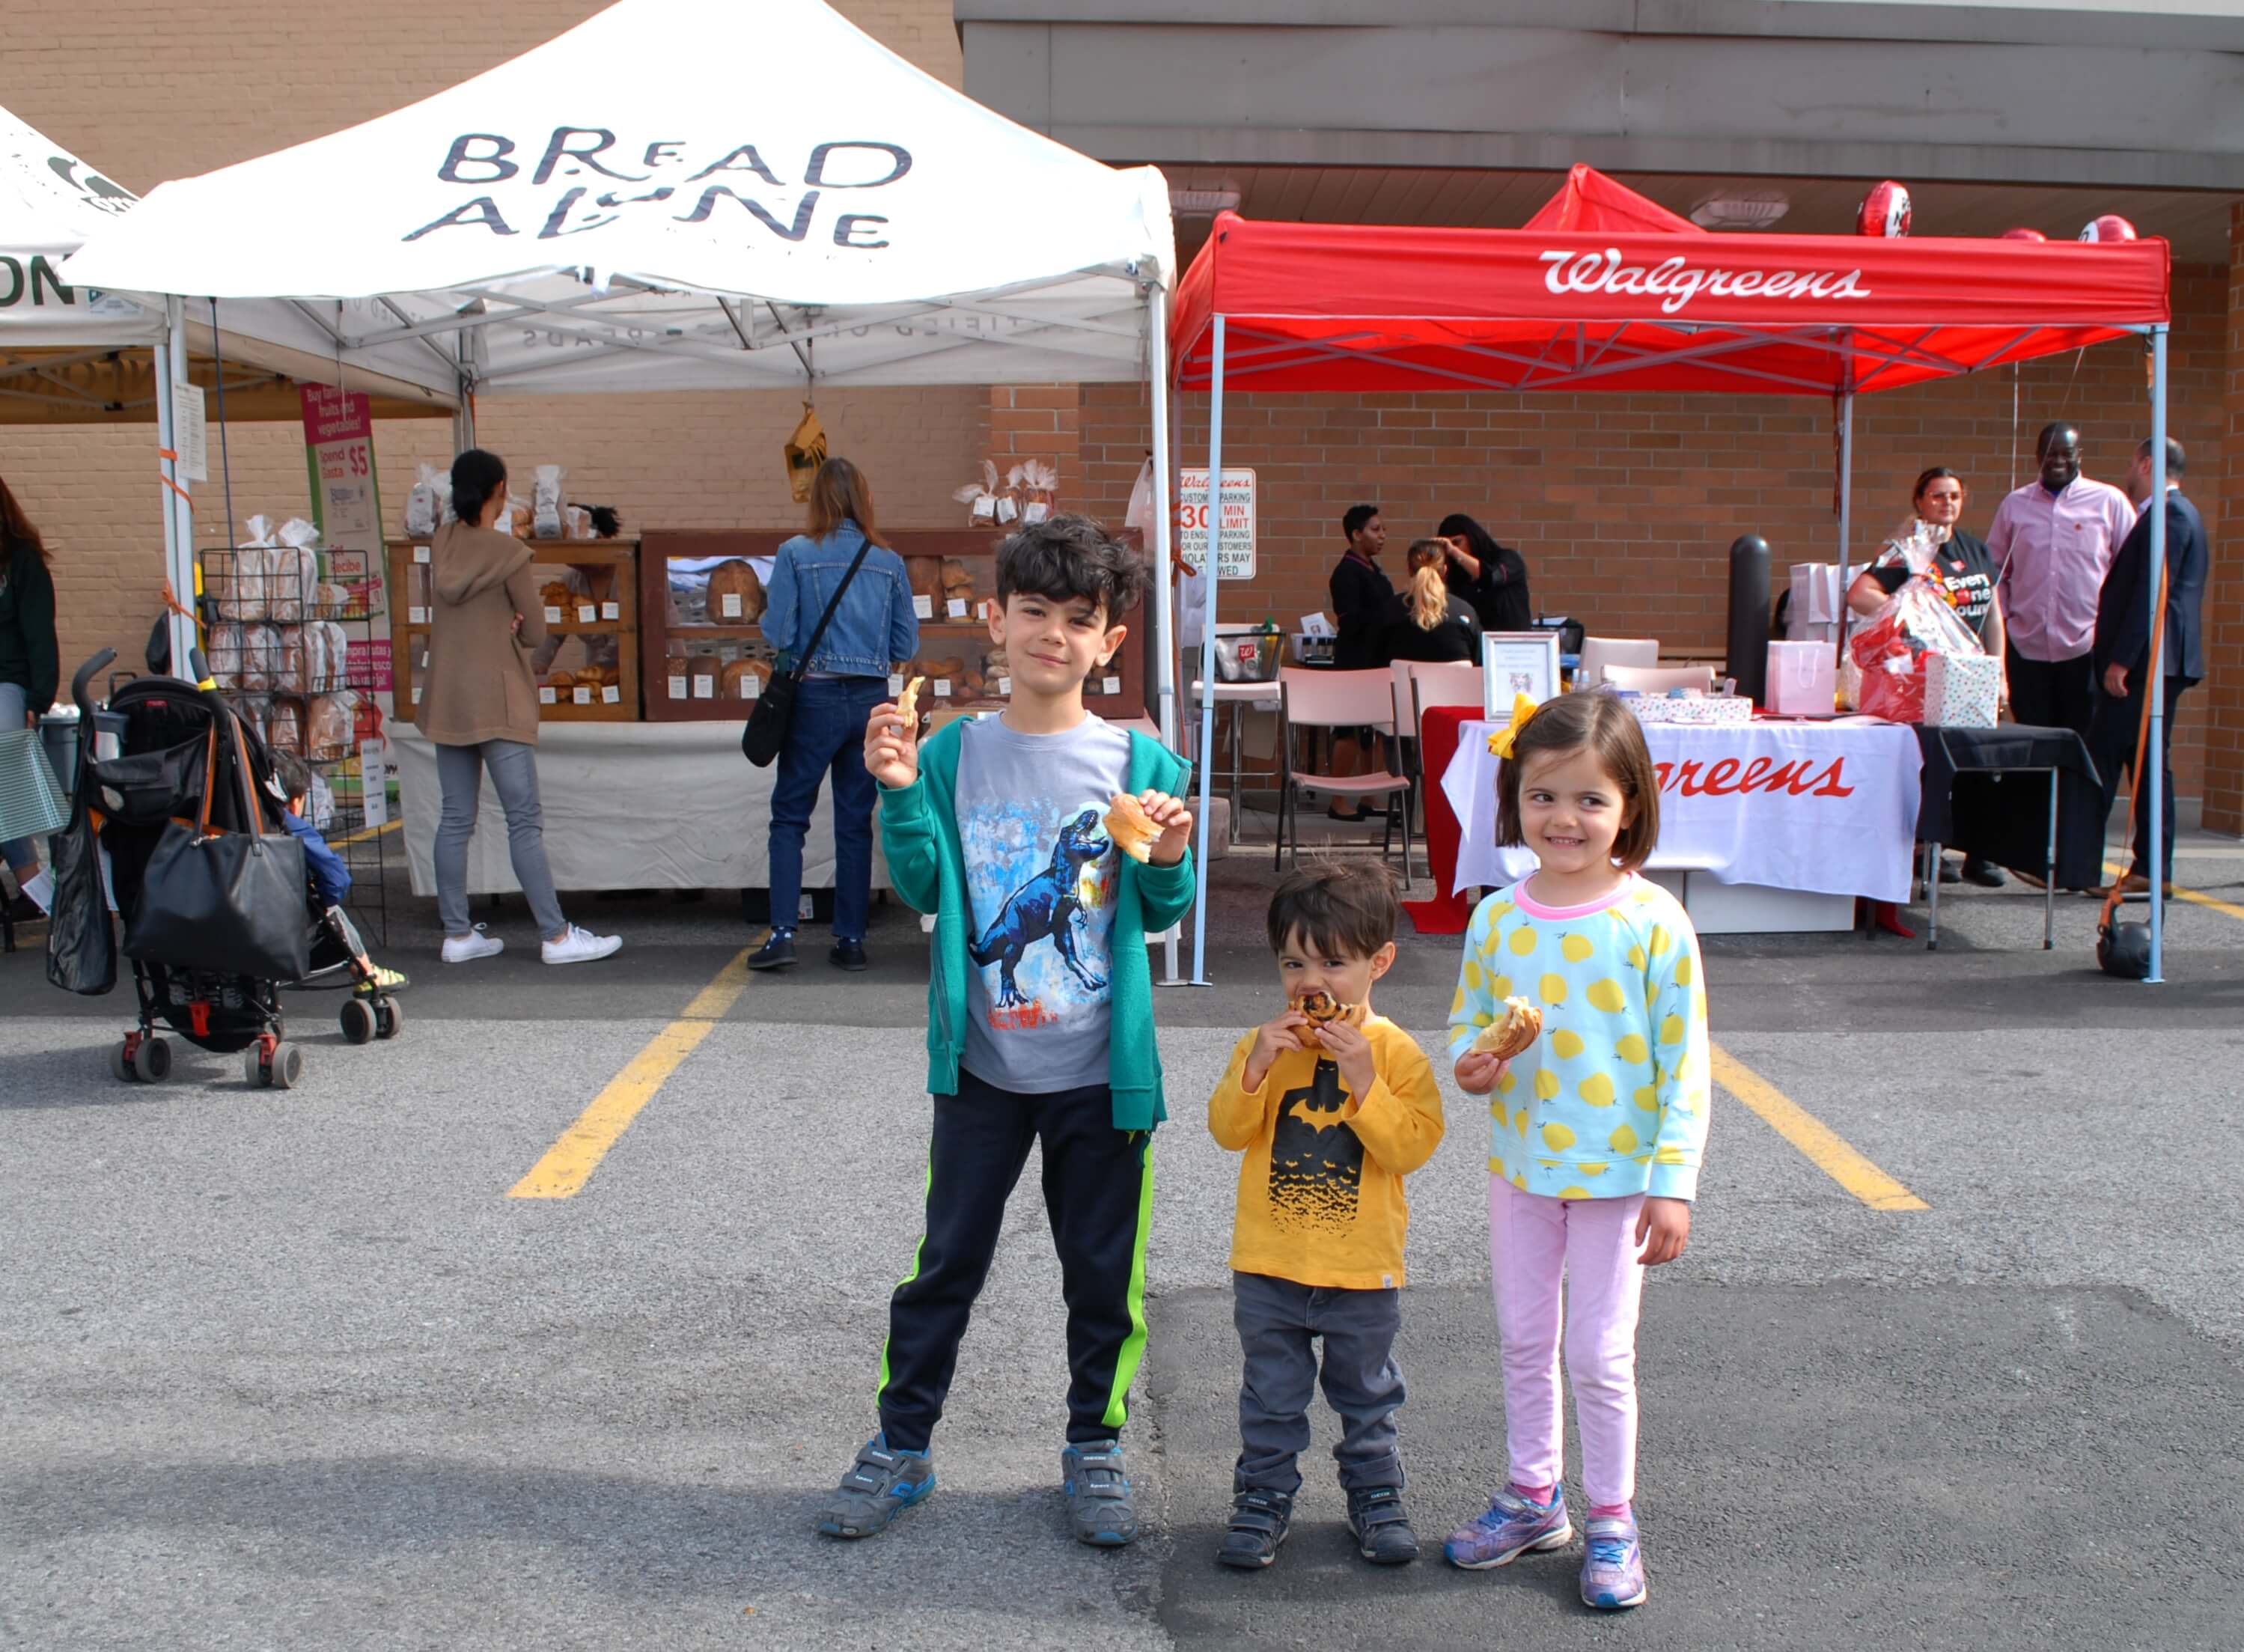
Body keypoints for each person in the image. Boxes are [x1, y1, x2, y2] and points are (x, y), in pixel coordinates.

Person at [820, 515, 1196, 1549]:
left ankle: (1095, 1445)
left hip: (1102, 1075)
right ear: (995, 619)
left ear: (1109, 642)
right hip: (983, 1067)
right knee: (945, 1261)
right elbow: (925, 884)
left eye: (1079, 618)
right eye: (1034, 610)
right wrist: (900, 792)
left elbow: (1160, 908)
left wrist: (1168, 854)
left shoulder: (1142, 760)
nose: (1052, 634)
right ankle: (901, 1443)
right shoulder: (951, 751)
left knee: (1102, 1273)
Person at [1443, 691, 1710, 1612]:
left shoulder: (1654, 920)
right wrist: (1472, 1064)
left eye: (1591, 798)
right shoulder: (1495, 919)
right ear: (1514, 799)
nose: (1565, 818)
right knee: (1523, 1336)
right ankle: (1533, 1494)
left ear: (1630, 805)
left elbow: (1685, 1063)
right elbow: (1468, 1026)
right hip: (1520, 1169)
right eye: (1543, 796)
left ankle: (1611, 1515)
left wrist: (1672, 1183)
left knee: (1598, 1352)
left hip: (1618, 1179)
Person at [1207, 862, 1445, 1571]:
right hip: (1270, 1264)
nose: (1311, 982)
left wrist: (1365, 1080)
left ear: (1380, 962)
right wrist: (1255, 1068)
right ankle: (1263, 1494)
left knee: (1367, 1393)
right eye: (1293, 963)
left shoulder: (1396, 1053)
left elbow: (1411, 1147)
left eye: (1333, 963)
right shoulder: (1264, 1044)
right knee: (1271, 1396)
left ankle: (1376, 1494)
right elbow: (1226, 1130)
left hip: (1360, 1270)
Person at [421, 448, 620, 966]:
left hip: (448, 698)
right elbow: (535, 631)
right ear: (499, 491)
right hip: (500, 699)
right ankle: (556, 936)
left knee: (454, 818)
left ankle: (457, 933)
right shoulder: (509, 552)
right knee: (523, 820)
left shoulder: (441, 543)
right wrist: (511, 622)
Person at [748, 457, 919, 973]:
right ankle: (851, 940)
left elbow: (778, 633)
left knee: (789, 816)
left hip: (814, 699)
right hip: (870, 702)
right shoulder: (888, 561)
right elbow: (905, 644)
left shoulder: (795, 554)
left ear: (817, 500)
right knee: (854, 821)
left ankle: (783, 933)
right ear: (865, 500)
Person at [1847, 466, 2008, 889]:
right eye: (1937, 495)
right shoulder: (1906, 551)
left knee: (1977, 762)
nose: (1947, 503)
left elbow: (1994, 614)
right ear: (1919, 501)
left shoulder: (1976, 549)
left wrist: (2000, 672)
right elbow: (1860, 594)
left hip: (1970, 673)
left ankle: (1978, 850)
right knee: (1933, 764)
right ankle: (1926, 848)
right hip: (1923, 673)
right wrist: (1911, 613)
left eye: (1954, 495)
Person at [2091, 437, 2208, 897]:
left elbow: (2152, 593)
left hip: (2149, 665)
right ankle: (2148, 868)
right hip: (2153, 664)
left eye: (2130, 463)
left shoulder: (2170, 515)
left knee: (2118, 758)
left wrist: (2122, 659)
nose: (2127, 473)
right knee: (2143, 763)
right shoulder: (2170, 514)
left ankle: (2085, 862)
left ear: (2147, 464)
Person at [1987, 423, 2135, 738]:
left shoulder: (2109, 501)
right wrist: (2006, 620)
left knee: (2082, 745)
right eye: (2049, 453)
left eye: (2065, 453)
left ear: (2079, 455)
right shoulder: (2015, 504)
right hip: (2026, 649)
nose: (2057, 460)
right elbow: (1994, 572)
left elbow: (2130, 574)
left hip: (2087, 647)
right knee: (2033, 745)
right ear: (2037, 456)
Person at [269, 751, 408, 994]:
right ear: (296, 801)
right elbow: (336, 879)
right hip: (281, 920)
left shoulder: (221, 825)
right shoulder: (290, 827)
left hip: (223, 920)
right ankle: (366, 973)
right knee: (329, 910)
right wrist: (323, 899)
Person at [0, 475, 59, 922]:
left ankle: (37, 890)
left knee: (8, 795)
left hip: (8, 686)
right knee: (5, 799)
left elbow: (40, 635)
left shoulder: (22, 562)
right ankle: (36, 892)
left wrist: (37, 700)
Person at [1327, 504, 1399, 817]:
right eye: (1375, 529)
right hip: (1354, 662)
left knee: (1376, 733)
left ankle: (1370, 795)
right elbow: (1351, 620)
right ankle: (1338, 800)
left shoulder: (1375, 571)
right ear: (1357, 534)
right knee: (1350, 733)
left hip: (1378, 662)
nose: (1382, 536)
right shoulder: (1346, 572)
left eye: (1384, 530)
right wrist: (1387, 615)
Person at [1388, 538, 1484, 665]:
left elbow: (1372, 663)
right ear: (1444, 571)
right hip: (1454, 679)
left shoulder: (1389, 612)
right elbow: (1481, 662)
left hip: (1404, 679)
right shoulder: (1465, 612)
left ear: (1409, 570)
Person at [1435, 513, 1533, 634]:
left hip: (1512, 640)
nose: (1453, 549)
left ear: (1471, 537)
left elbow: (1491, 577)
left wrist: (1454, 552)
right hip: (1479, 639)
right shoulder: (1458, 576)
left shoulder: (1508, 558)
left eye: (1457, 542)